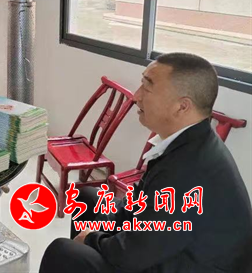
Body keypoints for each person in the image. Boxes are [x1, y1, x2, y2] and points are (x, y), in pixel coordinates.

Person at [40, 53, 252, 273]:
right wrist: (99, 235)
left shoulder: (188, 170)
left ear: (182, 106)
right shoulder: (189, 141)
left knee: (63, 251)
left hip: (187, 264)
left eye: (148, 88)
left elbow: (134, 254)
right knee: (88, 199)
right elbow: (140, 203)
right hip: (169, 246)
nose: (136, 96)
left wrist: (91, 239)